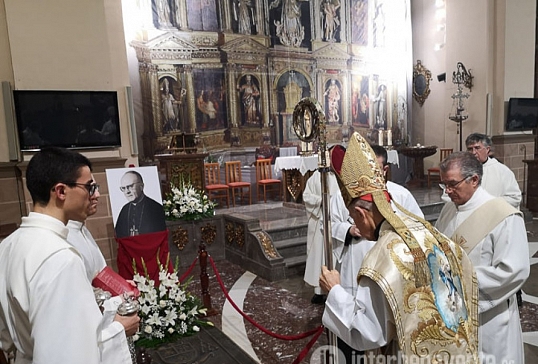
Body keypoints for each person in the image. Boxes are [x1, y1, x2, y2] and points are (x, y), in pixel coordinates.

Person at [320, 132, 479, 362]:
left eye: (353, 217)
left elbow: (369, 333)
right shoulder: (425, 232)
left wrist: (334, 291)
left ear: (362, 213)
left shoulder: (381, 260)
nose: (354, 224)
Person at [0, 147, 139, 364]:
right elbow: (70, 355)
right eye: (88, 186)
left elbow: (7, 333)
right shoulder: (60, 258)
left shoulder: (8, 244)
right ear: (61, 191)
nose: (95, 194)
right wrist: (120, 328)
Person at [435, 151, 529, 363]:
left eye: (452, 184)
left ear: (474, 180)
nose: (447, 191)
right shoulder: (448, 210)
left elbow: (514, 270)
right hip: (452, 309)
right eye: (444, 185)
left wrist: (458, 283)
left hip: (489, 315)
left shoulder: (503, 215)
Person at [331, 144, 424, 295]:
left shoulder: (401, 195)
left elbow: (418, 228)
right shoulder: (345, 195)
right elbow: (329, 224)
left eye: (374, 169)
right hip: (356, 257)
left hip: (391, 265)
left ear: (385, 170)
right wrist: (348, 230)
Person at [302, 145, 342, 304]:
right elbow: (306, 196)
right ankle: (319, 291)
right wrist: (322, 202)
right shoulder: (315, 177)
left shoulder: (341, 177)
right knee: (319, 256)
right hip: (320, 221)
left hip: (336, 223)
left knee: (334, 255)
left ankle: (337, 288)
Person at [465, 132, 521, 208]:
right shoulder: (461, 169)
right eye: (470, 149)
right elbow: (447, 196)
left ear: (487, 149)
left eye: (477, 148)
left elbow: (514, 198)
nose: (474, 152)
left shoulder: (502, 171)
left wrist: (489, 203)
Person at [115, 170, 167, 238]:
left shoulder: (156, 208)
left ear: (141, 186)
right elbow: (119, 234)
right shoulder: (125, 209)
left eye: (130, 186)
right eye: (123, 188)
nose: (127, 191)